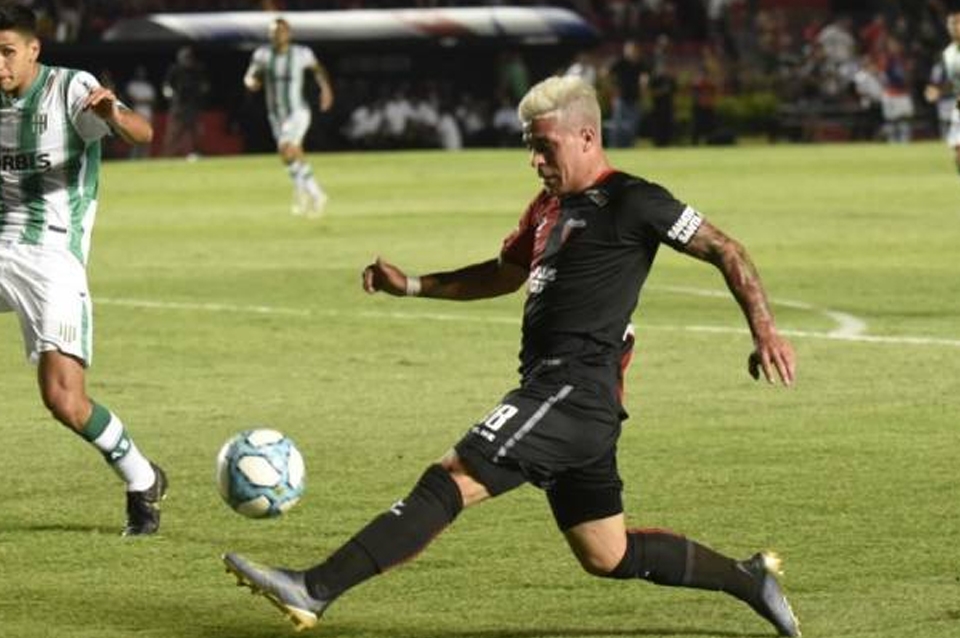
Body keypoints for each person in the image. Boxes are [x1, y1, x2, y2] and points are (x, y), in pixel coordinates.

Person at [222, 75, 800, 637]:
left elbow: (726, 249)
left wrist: (765, 332)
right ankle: (749, 579)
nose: (535, 161)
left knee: (452, 477)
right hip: (571, 401)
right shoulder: (546, 208)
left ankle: (314, 588)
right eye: (530, 148)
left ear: (587, 138)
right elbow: (503, 274)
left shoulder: (634, 199)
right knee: (607, 553)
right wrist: (414, 285)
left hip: (571, 392)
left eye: (544, 147)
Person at [0, 4, 166, 536]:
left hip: (52, 258)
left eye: (6, 52)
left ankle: (142, 478)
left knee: (64, 401)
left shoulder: (70, 89)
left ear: (33, 50)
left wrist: (114, 113)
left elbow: (141, 132)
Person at [244, 17, 334, 217]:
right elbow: (251, 75)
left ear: (289, 34)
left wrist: (326, 89)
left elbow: (318, 69)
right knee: (292, 154)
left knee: (285, 148)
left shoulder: (301, 54)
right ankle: (309, 192)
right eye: (274, 32)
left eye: (281, 31)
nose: (278, 35)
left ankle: (309, 193)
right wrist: (250, 82)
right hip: (276, 114)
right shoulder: (263, 55)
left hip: (297, 112)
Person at [925, 9, 960, 174]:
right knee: (957, 151)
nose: (954, 27)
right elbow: (952, 82)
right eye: (951, 23)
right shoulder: (948, 53)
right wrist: (938, 90)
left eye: (957, 23)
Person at [162, 45, 208, 159]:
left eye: (189, 58)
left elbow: (204, 85)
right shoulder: (174, 69)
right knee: (174, 132)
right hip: (179, 106)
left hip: (193, 105)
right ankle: (169, 155)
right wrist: (169, 93)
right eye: (186, 58)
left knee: (196, 131)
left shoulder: (197, 69)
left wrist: (203, 89)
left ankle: (196, 153)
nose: (188, 60)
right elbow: (167, 85)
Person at [124, 65, 157, 159]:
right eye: (139, 72)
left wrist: (141, 100)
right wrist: (144, 100)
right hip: (136, 114)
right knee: (135, 137)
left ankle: (145, 158)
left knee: (147, 137)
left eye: (142, 72)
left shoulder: (149, 86)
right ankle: (133, 158)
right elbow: (132, 99)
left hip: (148, 114)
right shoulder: (132, 85)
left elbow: (153, 101)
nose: (141, 74)